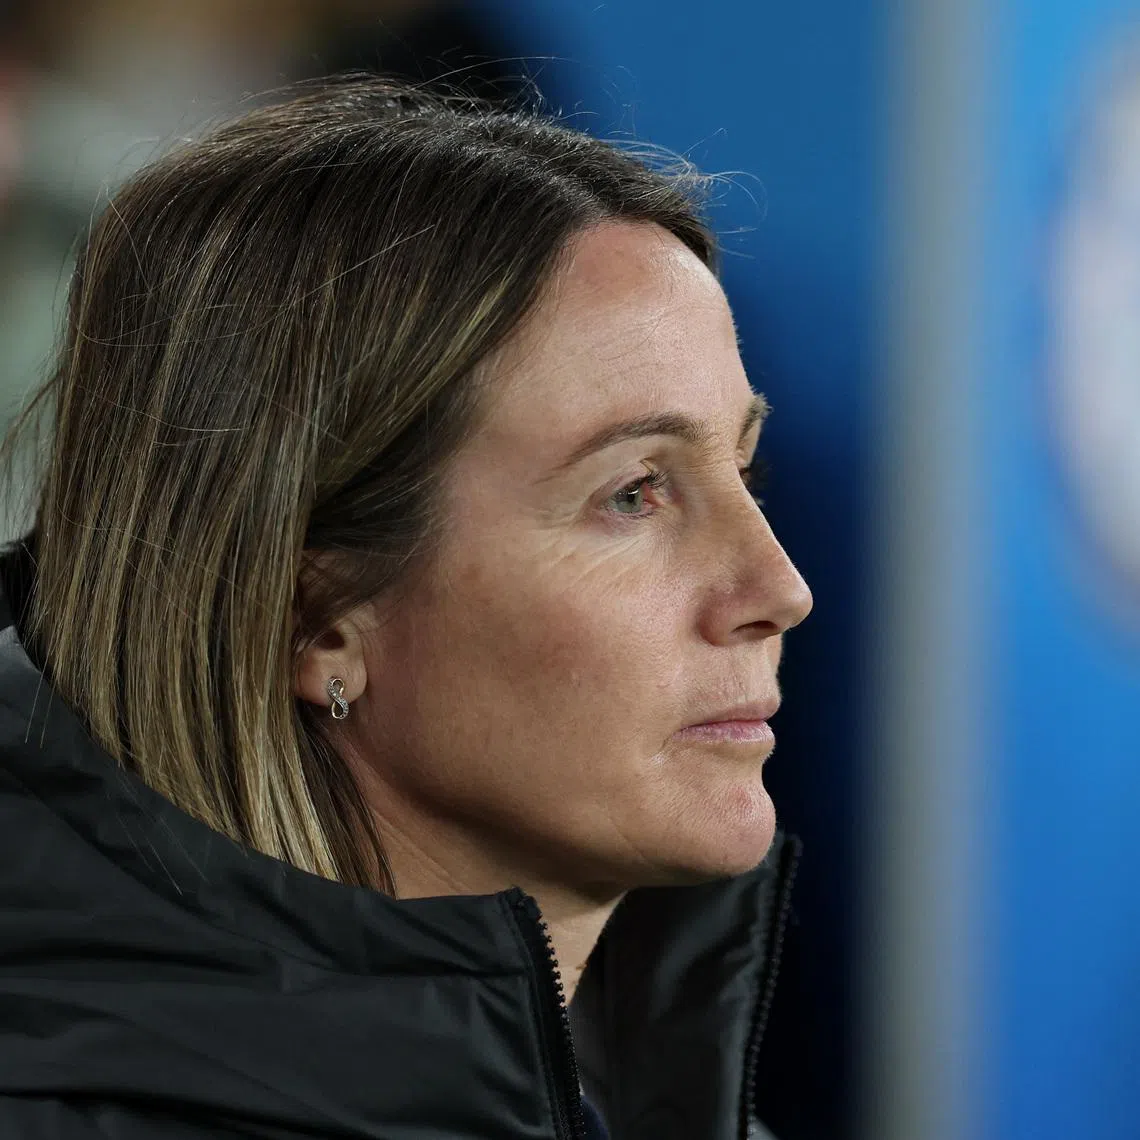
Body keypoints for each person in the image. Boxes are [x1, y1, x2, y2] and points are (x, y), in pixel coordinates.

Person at [0, 75, 813, 1139]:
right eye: (633, 493)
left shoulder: (640, 1087)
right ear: (317, 618)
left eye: (744, 475)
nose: (779, 591)